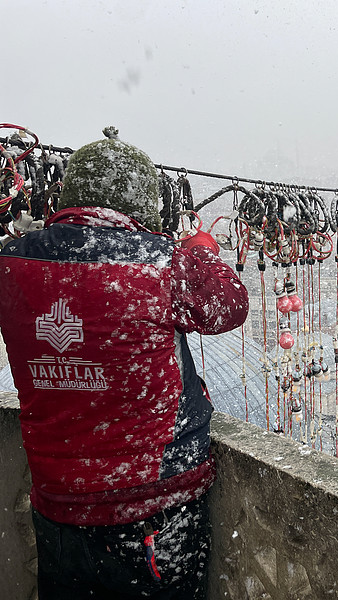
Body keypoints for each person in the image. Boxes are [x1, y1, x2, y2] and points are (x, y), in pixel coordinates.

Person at [0, 128, 249, 599]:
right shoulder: (162, 264)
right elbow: (230, 305)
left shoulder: (11, 263)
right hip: (157, 504)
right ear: (141, 204)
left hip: (58, 504)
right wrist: (198, 250)